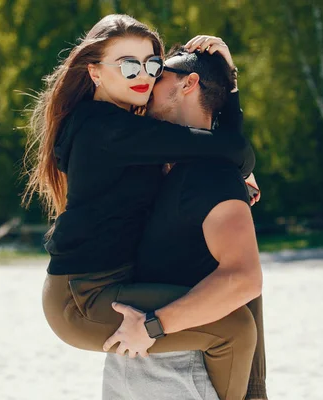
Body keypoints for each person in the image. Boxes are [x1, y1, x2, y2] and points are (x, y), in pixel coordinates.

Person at [24, 14, 257, 400]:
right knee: (234, 327)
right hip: (83, 298)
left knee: (231, 312)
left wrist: (224, 83)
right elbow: (229, 148)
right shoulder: (107, 129)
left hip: (96, 286)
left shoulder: (119, 125)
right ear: (95, 73)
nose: (144, 74)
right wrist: (236, 159)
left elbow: (209, 138)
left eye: (152, 64)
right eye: (128, 64)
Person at [101, 44, 267, 400]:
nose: (146, 80)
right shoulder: (162, 164)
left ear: (189, 84)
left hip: (177, 366)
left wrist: (155, 325)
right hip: (132, 355)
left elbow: (244, 278)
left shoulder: (213, 175)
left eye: (159, 73)